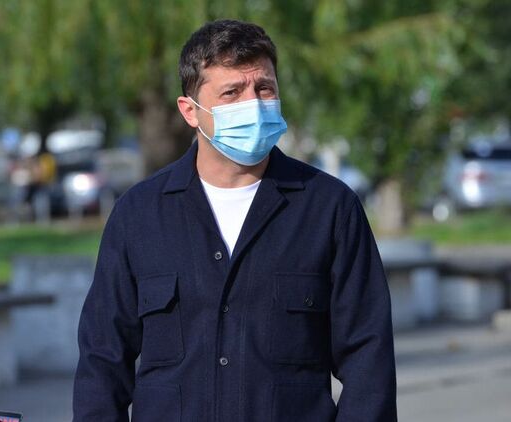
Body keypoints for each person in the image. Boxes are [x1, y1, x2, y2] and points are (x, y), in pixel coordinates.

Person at [74, 19, 396, 421]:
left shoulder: (330, 209)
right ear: (190, 111)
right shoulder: (139, 215)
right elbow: (103, 358)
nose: (254, 104)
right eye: (232, 92)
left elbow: (368, 355)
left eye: (264, 88)